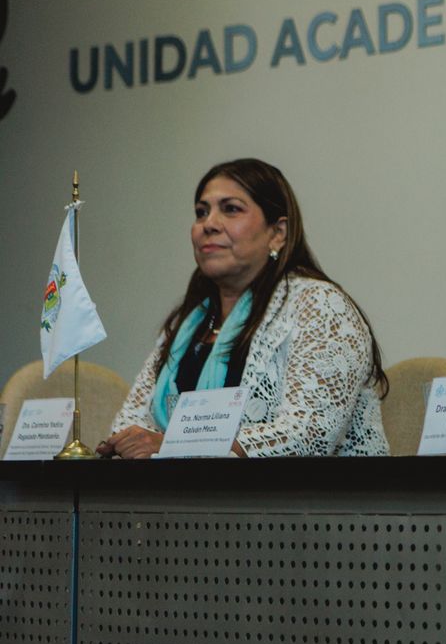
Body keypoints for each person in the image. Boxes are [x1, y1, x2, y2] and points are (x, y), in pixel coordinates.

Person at [102, 159, 389, 457]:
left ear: (277, 233)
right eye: (201, 212)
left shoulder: (319, 306)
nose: (208, 224)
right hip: (187, 498)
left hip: (310, 499)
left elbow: (309, 434)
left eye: (231, 209)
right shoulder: (189, 323)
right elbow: (128, 425)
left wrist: (174, 448)